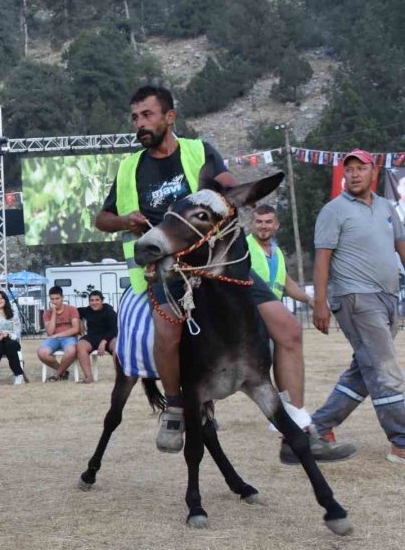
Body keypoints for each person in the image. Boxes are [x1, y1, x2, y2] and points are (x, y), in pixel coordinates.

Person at [95, 85, 349, 462]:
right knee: (167, 332)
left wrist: (245, 192)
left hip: (219, 265)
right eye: (135, 117)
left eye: (147, 115)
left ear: (170, 117)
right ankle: (176, 409)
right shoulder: (131, 167)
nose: (140, 124)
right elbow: (101, 219)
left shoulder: (200, 151)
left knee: (289, 330)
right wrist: (122, 220)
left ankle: (296, 428)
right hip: (166, 268)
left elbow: (228, 186)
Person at [309, 149, 405, 465]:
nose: (353, 173)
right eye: (348, 169)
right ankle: (401, 441)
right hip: (355, 299)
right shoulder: (334, 211)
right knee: (386, 369)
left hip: (388, 297)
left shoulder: (388, 208)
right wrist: (320, 303)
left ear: (372, 172)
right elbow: (322, 259)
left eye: (359, 168)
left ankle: (317, 429)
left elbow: (401, 247)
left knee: (364, 372)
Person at [37, 286, 80, 381]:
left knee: (72, 351)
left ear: (62, 298)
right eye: (52, 299)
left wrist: (59, 334)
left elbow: (76, 329)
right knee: (41, 353)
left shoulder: (71, 309)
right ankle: (63, 372)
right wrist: (54, 313)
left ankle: (57, 375)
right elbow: (50, 332)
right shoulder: (47, 313)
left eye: (57, 298)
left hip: (69, 337)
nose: (54, 301)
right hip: (53, 338)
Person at [76, 290, 118, 384]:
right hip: (92, 337)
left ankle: (119, 377)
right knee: (80, 345)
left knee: (117, 345)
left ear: (102, 300)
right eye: (92, 300)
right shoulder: (87, 310)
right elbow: (74, 312)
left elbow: (114, 330)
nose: (94, 302)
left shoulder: (110, 312)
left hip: (109, 337)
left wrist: (104, 341)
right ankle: (88, 377)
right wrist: (79, 320)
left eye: (97, 300)